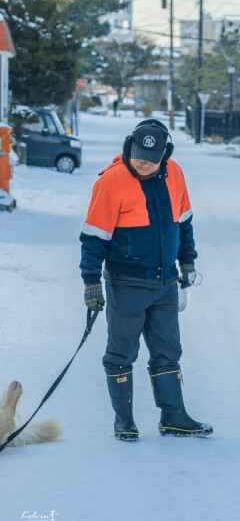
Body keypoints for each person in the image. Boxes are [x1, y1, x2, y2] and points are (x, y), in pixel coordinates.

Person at [79, 119, 213, 441]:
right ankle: (124, 421)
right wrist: (91, 282)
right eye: (139, 155)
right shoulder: (111, 182)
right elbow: (94, 238)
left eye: (152, 159)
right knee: (121, 353)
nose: (144, 162)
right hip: (127, 284)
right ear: (130, 146)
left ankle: (173, 417)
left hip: (165, 284)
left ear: (164, 155)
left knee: (168, 352)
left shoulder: (175, 173)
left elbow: (184, 223)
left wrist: (188, 261)